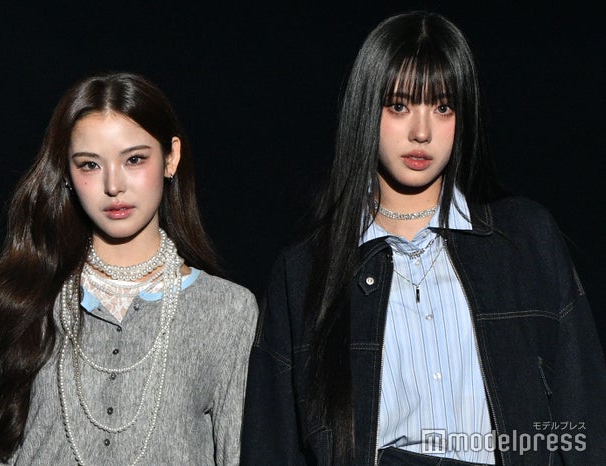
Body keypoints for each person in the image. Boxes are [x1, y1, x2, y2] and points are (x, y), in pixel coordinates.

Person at [240, 10, 606, 465]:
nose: (421, 132)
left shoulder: (525, 239)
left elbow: (585, 418)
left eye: (442, 107)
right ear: (366, 109)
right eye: (399, 105)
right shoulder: (304, 273)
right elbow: (272, 445)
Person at [0, 72, 258, 465]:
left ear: (171, 158)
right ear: (67, 173)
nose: (113, 185)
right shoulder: (27, 301)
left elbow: (238, 452)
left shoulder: (226, 310)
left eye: (134, 159)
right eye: (89, 165)